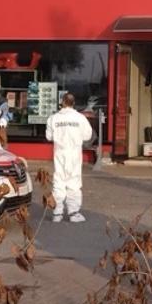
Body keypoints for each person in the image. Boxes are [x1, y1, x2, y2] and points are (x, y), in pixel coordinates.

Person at [46, 93, 93, 223]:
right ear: (74, 103)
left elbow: (49, 136)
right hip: (74, 153)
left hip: (59, 153)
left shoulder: (53, 118)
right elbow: (88, 136)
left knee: (58, 182)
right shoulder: (80, 118)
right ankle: (73, 213)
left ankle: (57, 213)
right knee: (74, 182)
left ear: (62, 102)